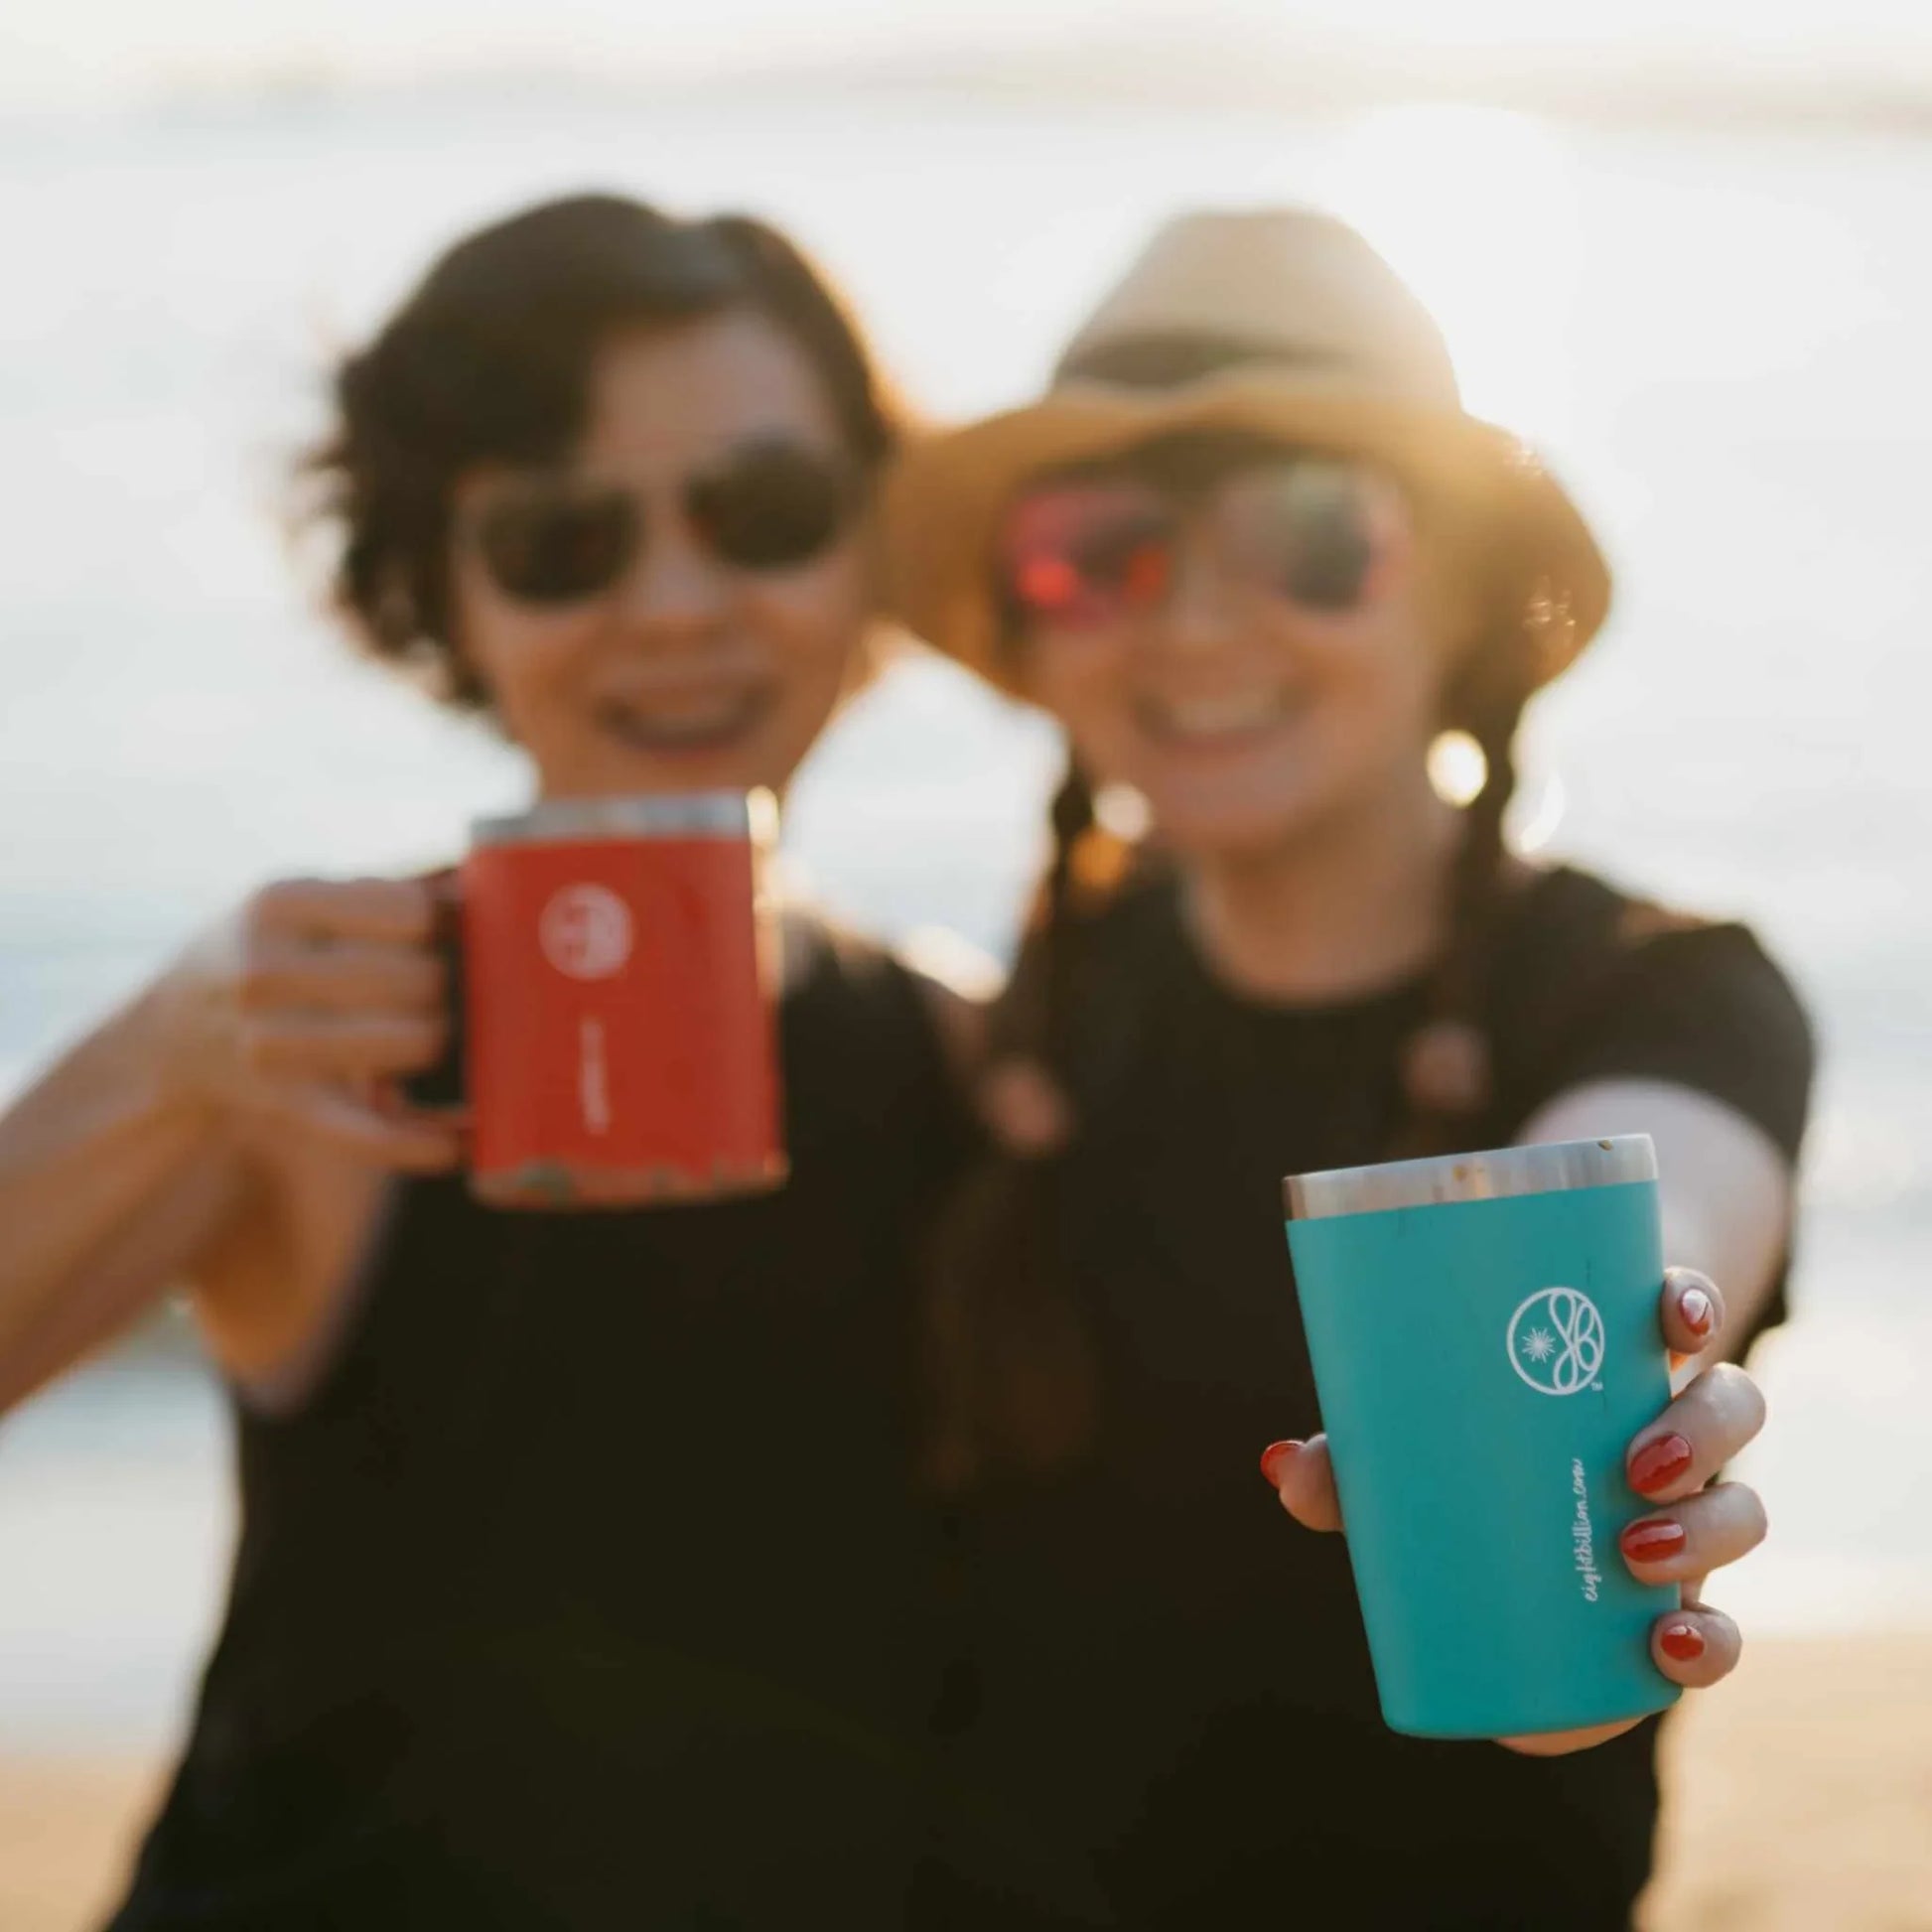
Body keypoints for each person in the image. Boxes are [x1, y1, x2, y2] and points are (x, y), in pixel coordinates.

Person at [0, 194, 975, 1929]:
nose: (676, 604)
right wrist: (160, 1054)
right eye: (557, 542)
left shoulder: (964, 1052)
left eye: (762, 513)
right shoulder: (309, 1044)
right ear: (435, 589)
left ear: (872, 540)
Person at [888, 209, 1813, 1927]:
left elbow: (1656, 1198)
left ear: (1459, 591)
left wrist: (1633, 1387)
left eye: (1311, 542)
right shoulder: (1027, 1018)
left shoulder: (1656, 997)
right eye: (1103, 553)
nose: (1197, 627)